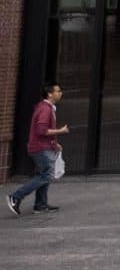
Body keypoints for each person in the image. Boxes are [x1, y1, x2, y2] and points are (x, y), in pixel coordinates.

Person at [7, 84, 69, 216]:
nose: (61, 93)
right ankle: (16, 197)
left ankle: (40, 205)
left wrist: (55, 143)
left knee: (44, 175)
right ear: (50, 94)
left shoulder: (46, 108)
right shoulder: (45, 110)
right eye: (58, 91)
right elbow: (42, 131)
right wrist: (61, 131)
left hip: (43, 147)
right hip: (41, 148)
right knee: (46, 175)